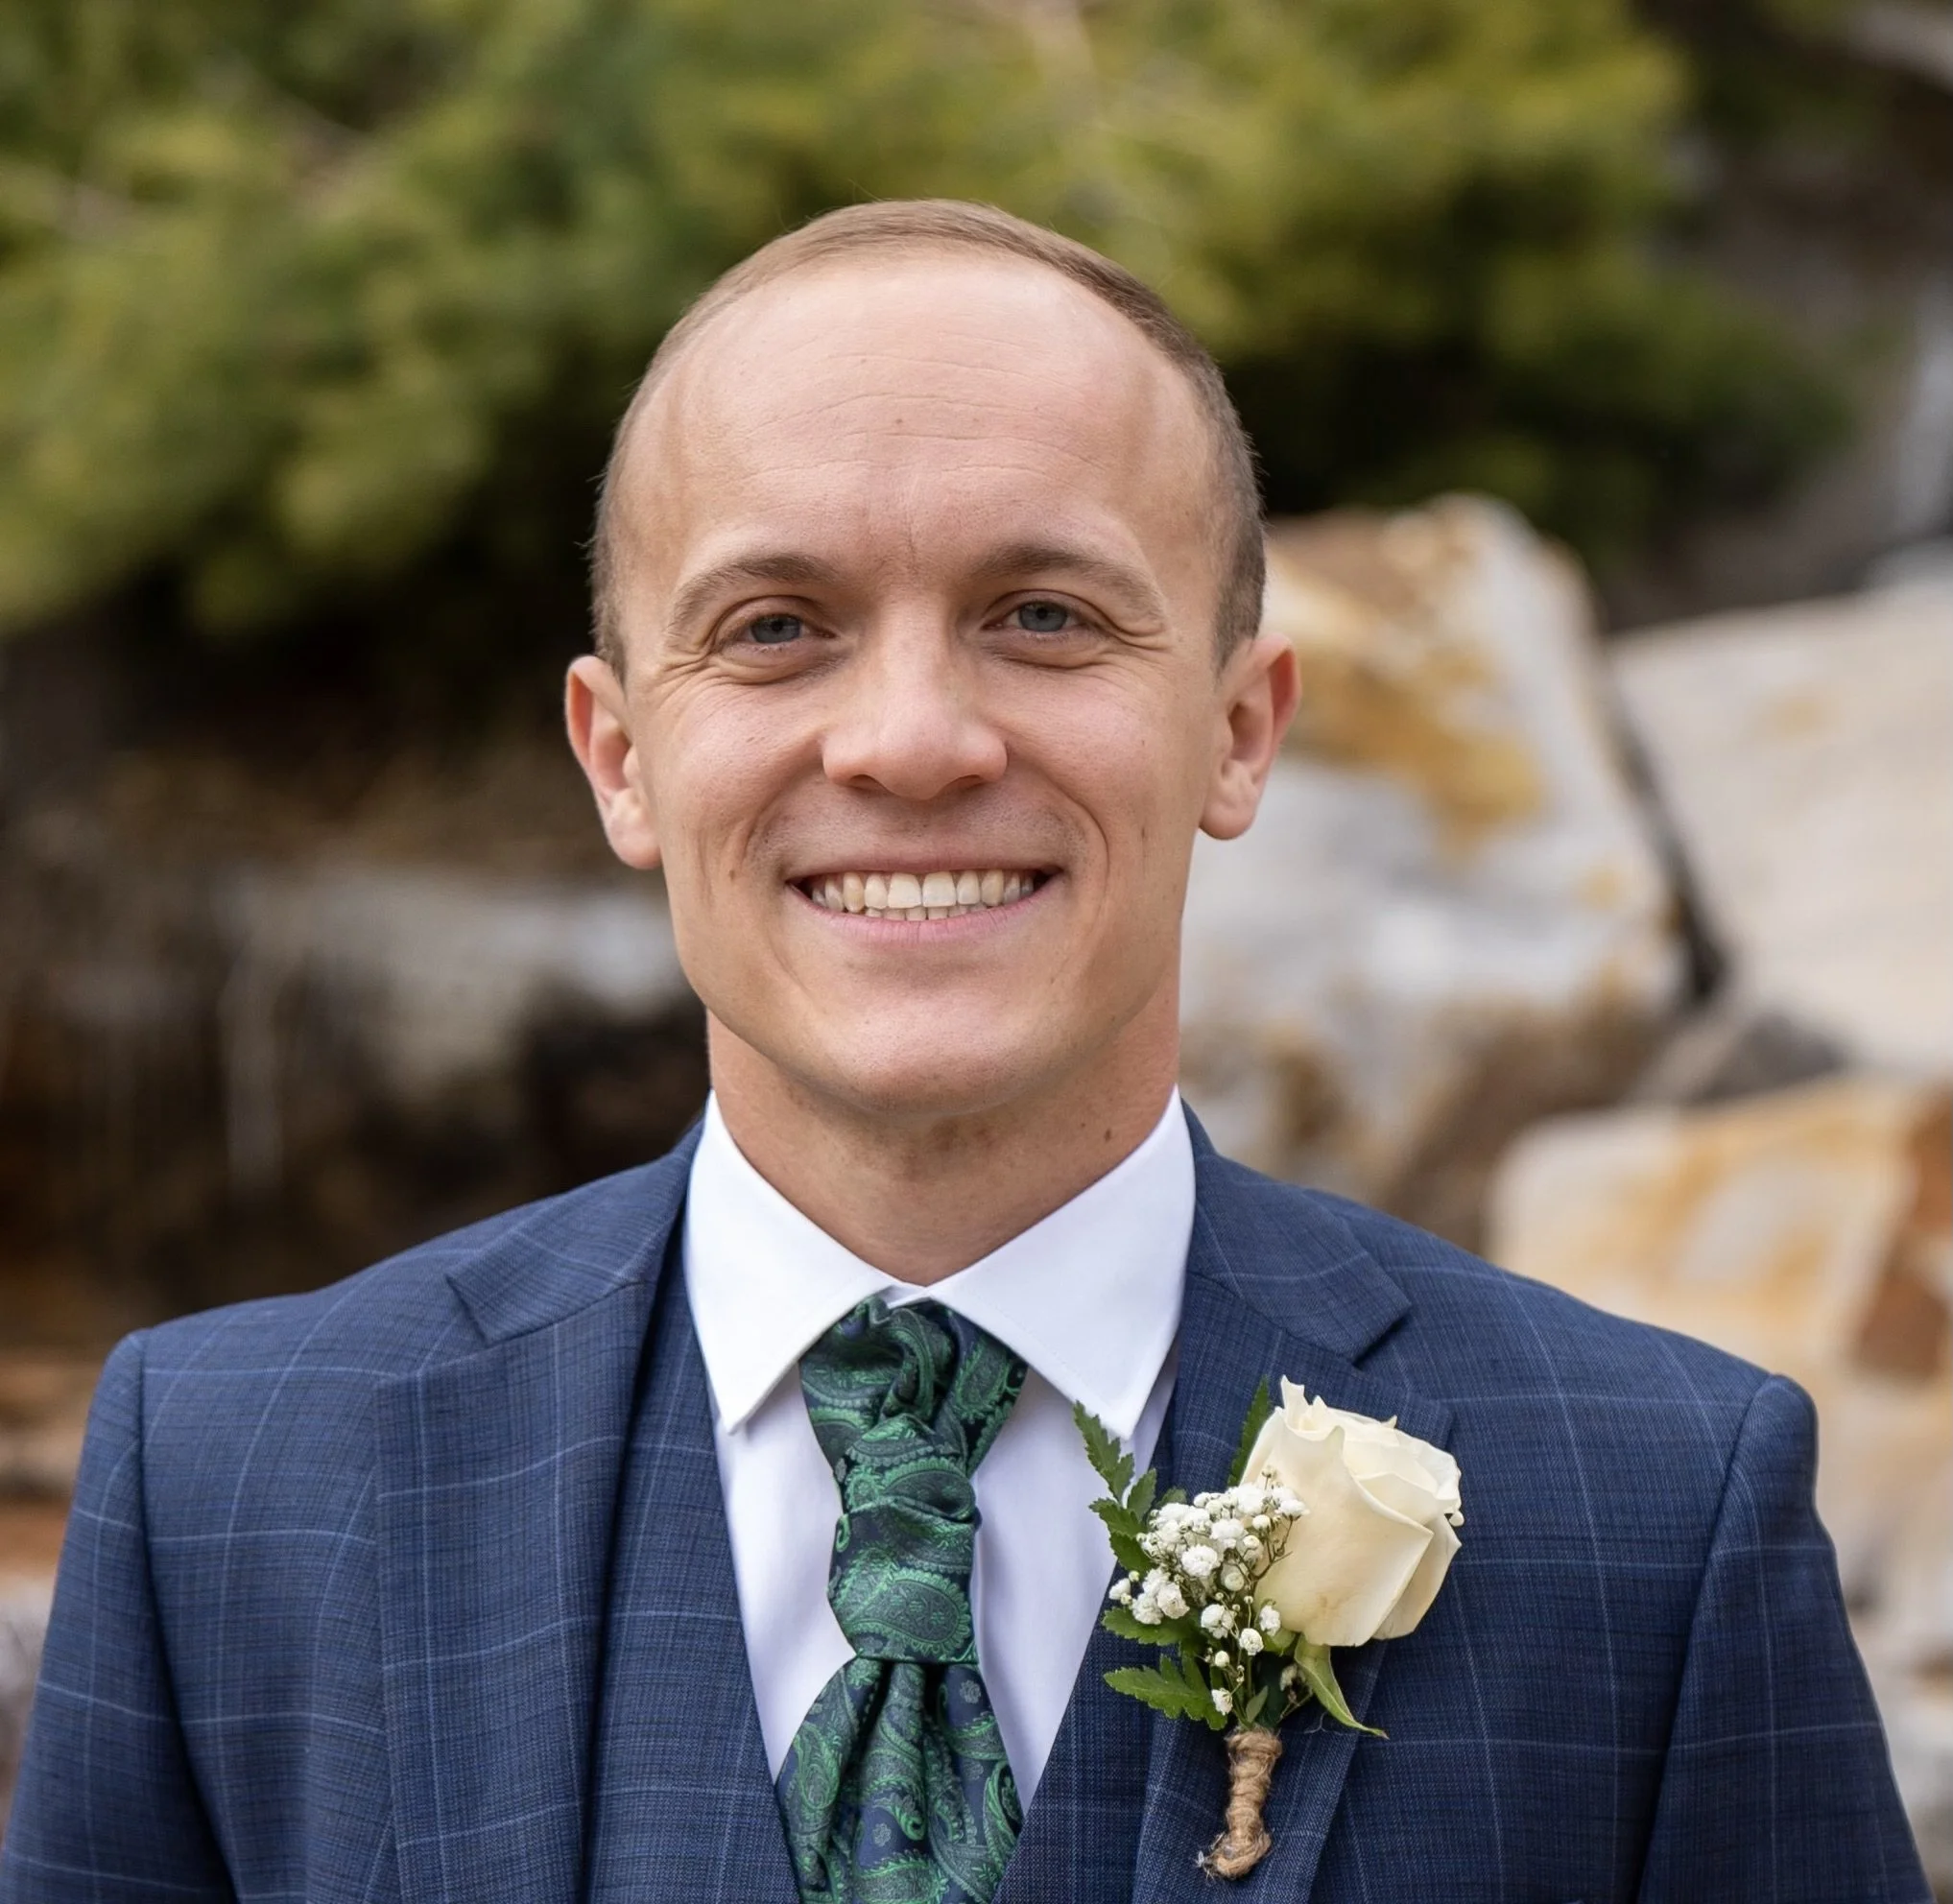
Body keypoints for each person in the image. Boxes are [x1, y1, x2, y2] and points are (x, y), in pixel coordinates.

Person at [0, 201, 1926, 1904]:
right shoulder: (228, 1482)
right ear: (618, 753)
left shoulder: (1657, 1505)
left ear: (1243, 730)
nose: (911, 739)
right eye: (775, 625)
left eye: (1040, 612)